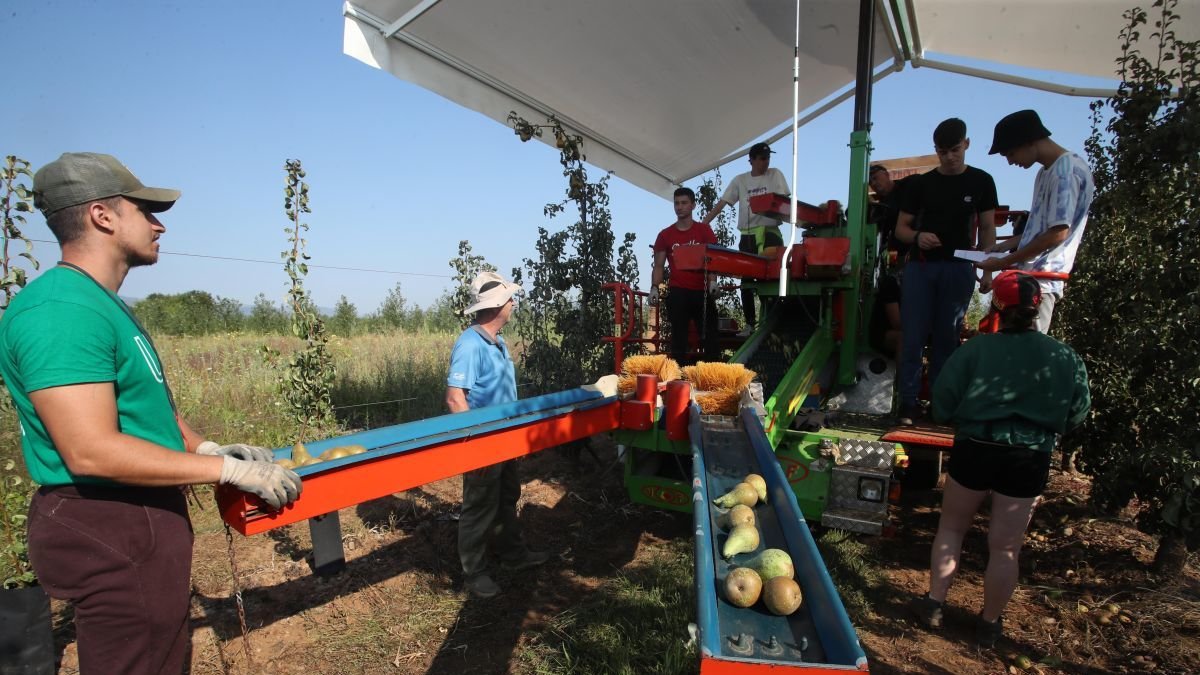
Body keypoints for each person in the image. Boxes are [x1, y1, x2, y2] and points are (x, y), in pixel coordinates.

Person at [0, 152, 302, 675]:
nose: (159, 225)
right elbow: (90, 448)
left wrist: (203, 446)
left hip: (132, 516)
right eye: (146, 211)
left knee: (160, 655)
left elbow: (144, 407)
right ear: (103, 216)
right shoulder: (62, 312)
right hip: (109, 519)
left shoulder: (98, 302)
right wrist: (228, 471)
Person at [910, 271, 1090, 648]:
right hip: (1029, 455)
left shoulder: (975, 349)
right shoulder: (1064, 356)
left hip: (976, 445)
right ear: (1037, 307)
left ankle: (933, 605)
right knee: (1006, 547)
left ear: (997, 307)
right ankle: (989, 624)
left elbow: (943, 400)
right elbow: (1077, 411)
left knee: (952, 529)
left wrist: (952, 417)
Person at [446, 271, 550, 598]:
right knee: (478, 506)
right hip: (483, 442)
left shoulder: (498, 342)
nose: (514, 303)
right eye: (509, 299)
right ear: (495, 306)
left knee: (507, 497)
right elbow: (454, 397)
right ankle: (473, 573)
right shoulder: (470, 344)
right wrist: (474, 444)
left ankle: (513, 555)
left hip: (504, 441)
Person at [894, 119, 998, 426]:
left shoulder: (982, 181)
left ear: (966, 145)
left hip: (959, 269)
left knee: (947, 338)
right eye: (942, 151)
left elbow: (989, 227)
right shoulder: (920, 184)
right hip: (921, 267)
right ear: (935, 150)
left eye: (954, 150)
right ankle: (908, 405)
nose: (949, 157)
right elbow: (901, 228)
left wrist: (988, 268)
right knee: (913, 336)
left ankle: (941, 404)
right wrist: (917, 236)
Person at [976, 109, 1096, 332]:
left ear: (1029, 141)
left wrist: (1001, 263)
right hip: (1026, 279)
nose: (1011, 162)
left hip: (1040, 283)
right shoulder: (1045, 172)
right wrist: (1003, 247)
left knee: (1024, 356)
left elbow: (1058, 233)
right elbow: (1041, 229)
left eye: (1011, 153)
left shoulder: (1065, 173)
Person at [701, 142, 790, 335]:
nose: (765, 162)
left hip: (770, 234)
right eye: (761, 158)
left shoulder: (775, 175)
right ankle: (750, 324)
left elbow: (785, 203)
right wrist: (702, 225)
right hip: (747, 236)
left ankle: (775, 324)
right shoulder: (740, 180)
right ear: (751, 160)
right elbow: (721, 205)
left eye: (767, 158)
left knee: (773, 279)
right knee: (747, 282)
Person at [651, 187, 719, 364]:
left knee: (711, 336)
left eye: (684, 203)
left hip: (701, 292)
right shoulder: (665, 235)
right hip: (678, 291)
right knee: (678, 338)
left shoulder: (704, 231)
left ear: (693, 205)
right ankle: (677, 381)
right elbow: (658, 265)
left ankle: (714, 379)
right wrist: (654, 288)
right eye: (676, 203)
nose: (679, 207)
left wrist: (713, 282)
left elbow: (713, 260)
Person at [867, 164, 918, 262]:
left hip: (922, 245)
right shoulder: (878, 210)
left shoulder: (909, 184)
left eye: (875, 178)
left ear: (886, 174)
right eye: (870, 182)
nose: (873, 183)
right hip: (899, 257)